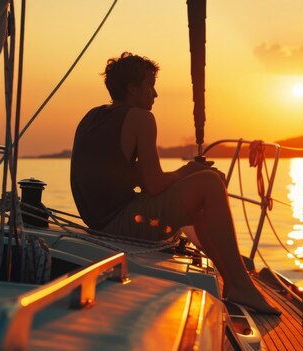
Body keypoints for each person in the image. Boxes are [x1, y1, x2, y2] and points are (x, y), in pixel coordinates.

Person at [70, 52, 279, 315]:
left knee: (204, 182)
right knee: (210, 183)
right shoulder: (140, 118)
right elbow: (155, 185)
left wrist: (187, 174)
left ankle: (232, 279)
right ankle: (240, 284)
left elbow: (120, 174)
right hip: (119, 223)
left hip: (98, 220)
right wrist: (186, 170)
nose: (155, 94)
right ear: (133, 89)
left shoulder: (93, 116)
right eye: (150, 85)